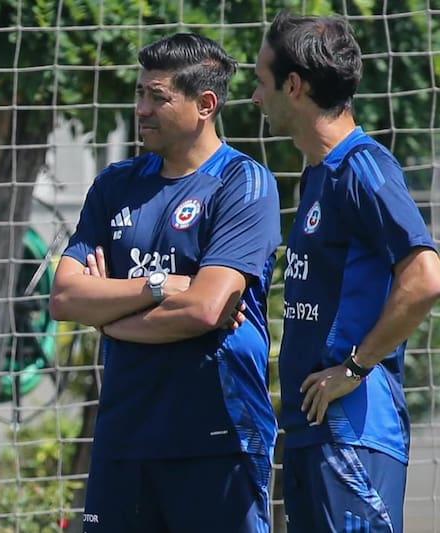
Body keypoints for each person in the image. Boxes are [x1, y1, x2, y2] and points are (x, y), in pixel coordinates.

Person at [50, 32, 281, 533]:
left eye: (157, 97)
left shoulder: (244, 183)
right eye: (139, 94)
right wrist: (160, 285)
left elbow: (204, 309)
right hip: (124, 435)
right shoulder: (116, 183)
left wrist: (109, 319)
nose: (142, 109)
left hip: (215, 435)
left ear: (205, 105)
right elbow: (66, 297)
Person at [253, 11, 440, 533]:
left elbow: (426, 275)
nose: (254, 98)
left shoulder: (364, 167)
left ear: (294, 85)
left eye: (260, 83)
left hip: (355, 431)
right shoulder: (317, 176)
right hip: (316, 431)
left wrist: (355, 367)